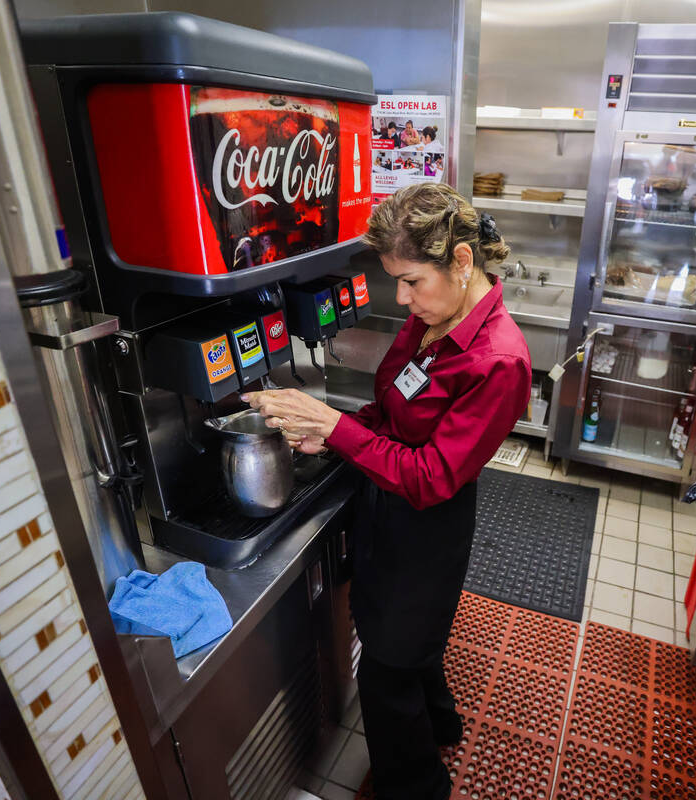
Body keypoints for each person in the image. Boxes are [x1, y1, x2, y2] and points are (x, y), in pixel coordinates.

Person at [242, 184, 531, 800]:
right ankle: (443, 721)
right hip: (384, 501)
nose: (400, 298)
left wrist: (340, 430)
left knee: (387, 671)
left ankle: (417, 787)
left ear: (460, 261)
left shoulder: (497, 361)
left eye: (410, 282)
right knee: (400, 636)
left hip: (428, 523)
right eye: (394, 281)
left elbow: (431, 477)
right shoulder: (431, 317)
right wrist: (338, 432)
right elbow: (391, 406)